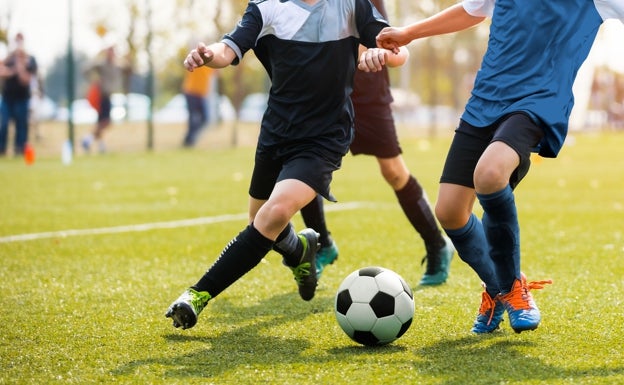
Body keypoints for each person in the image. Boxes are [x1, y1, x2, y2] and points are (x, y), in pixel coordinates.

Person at [375, 0, 624, 334]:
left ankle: (511, 290)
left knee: (490, 174)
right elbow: (471, 10)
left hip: (538, 102)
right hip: (485, 100)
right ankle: (499, 286)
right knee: (449, 211)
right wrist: (408, 32)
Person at [165, 0, 409, 331]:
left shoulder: (351, 5)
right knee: (261, 221)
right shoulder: (266, 7)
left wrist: (381, 54)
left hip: (325, 137)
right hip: (276, 133)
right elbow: (229, 48)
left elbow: (399, 50)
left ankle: (196, 295)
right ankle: (300, 251)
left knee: (273, 214)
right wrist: (209, 56)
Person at [299, 0, 454, 286]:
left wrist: (371, 50)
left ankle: (437, 243)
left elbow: (382, 36)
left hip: (369, 88)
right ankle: (323, 244)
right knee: (307, 165)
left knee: (393, 171)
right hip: (325, 90)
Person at [0, 32, 38, 156]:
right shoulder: (8, 58)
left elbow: (25, 79)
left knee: (21, 125)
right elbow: (1, 71)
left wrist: (19, 64)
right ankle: (2, 150)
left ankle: (19, 150)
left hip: (22, 99)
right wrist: (12, 70)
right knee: (4, 123)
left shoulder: (30, 59)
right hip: (7, 98)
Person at [81, 46, 122, 153]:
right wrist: (93, 80)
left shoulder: (115, 65)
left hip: (108, 95)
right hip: (102, 96)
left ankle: (100, 145)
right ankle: (87, 140)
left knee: (101, 122)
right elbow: (86, 70)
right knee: (106, 122)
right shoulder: (101, 64)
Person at [181, 65, 214, 147]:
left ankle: (190, 139)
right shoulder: (197, 59)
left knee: (205, 119)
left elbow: (216, 73)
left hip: (202, 94)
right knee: (193, 118)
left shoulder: (212, 63)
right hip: (191, 91)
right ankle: (189, 141)